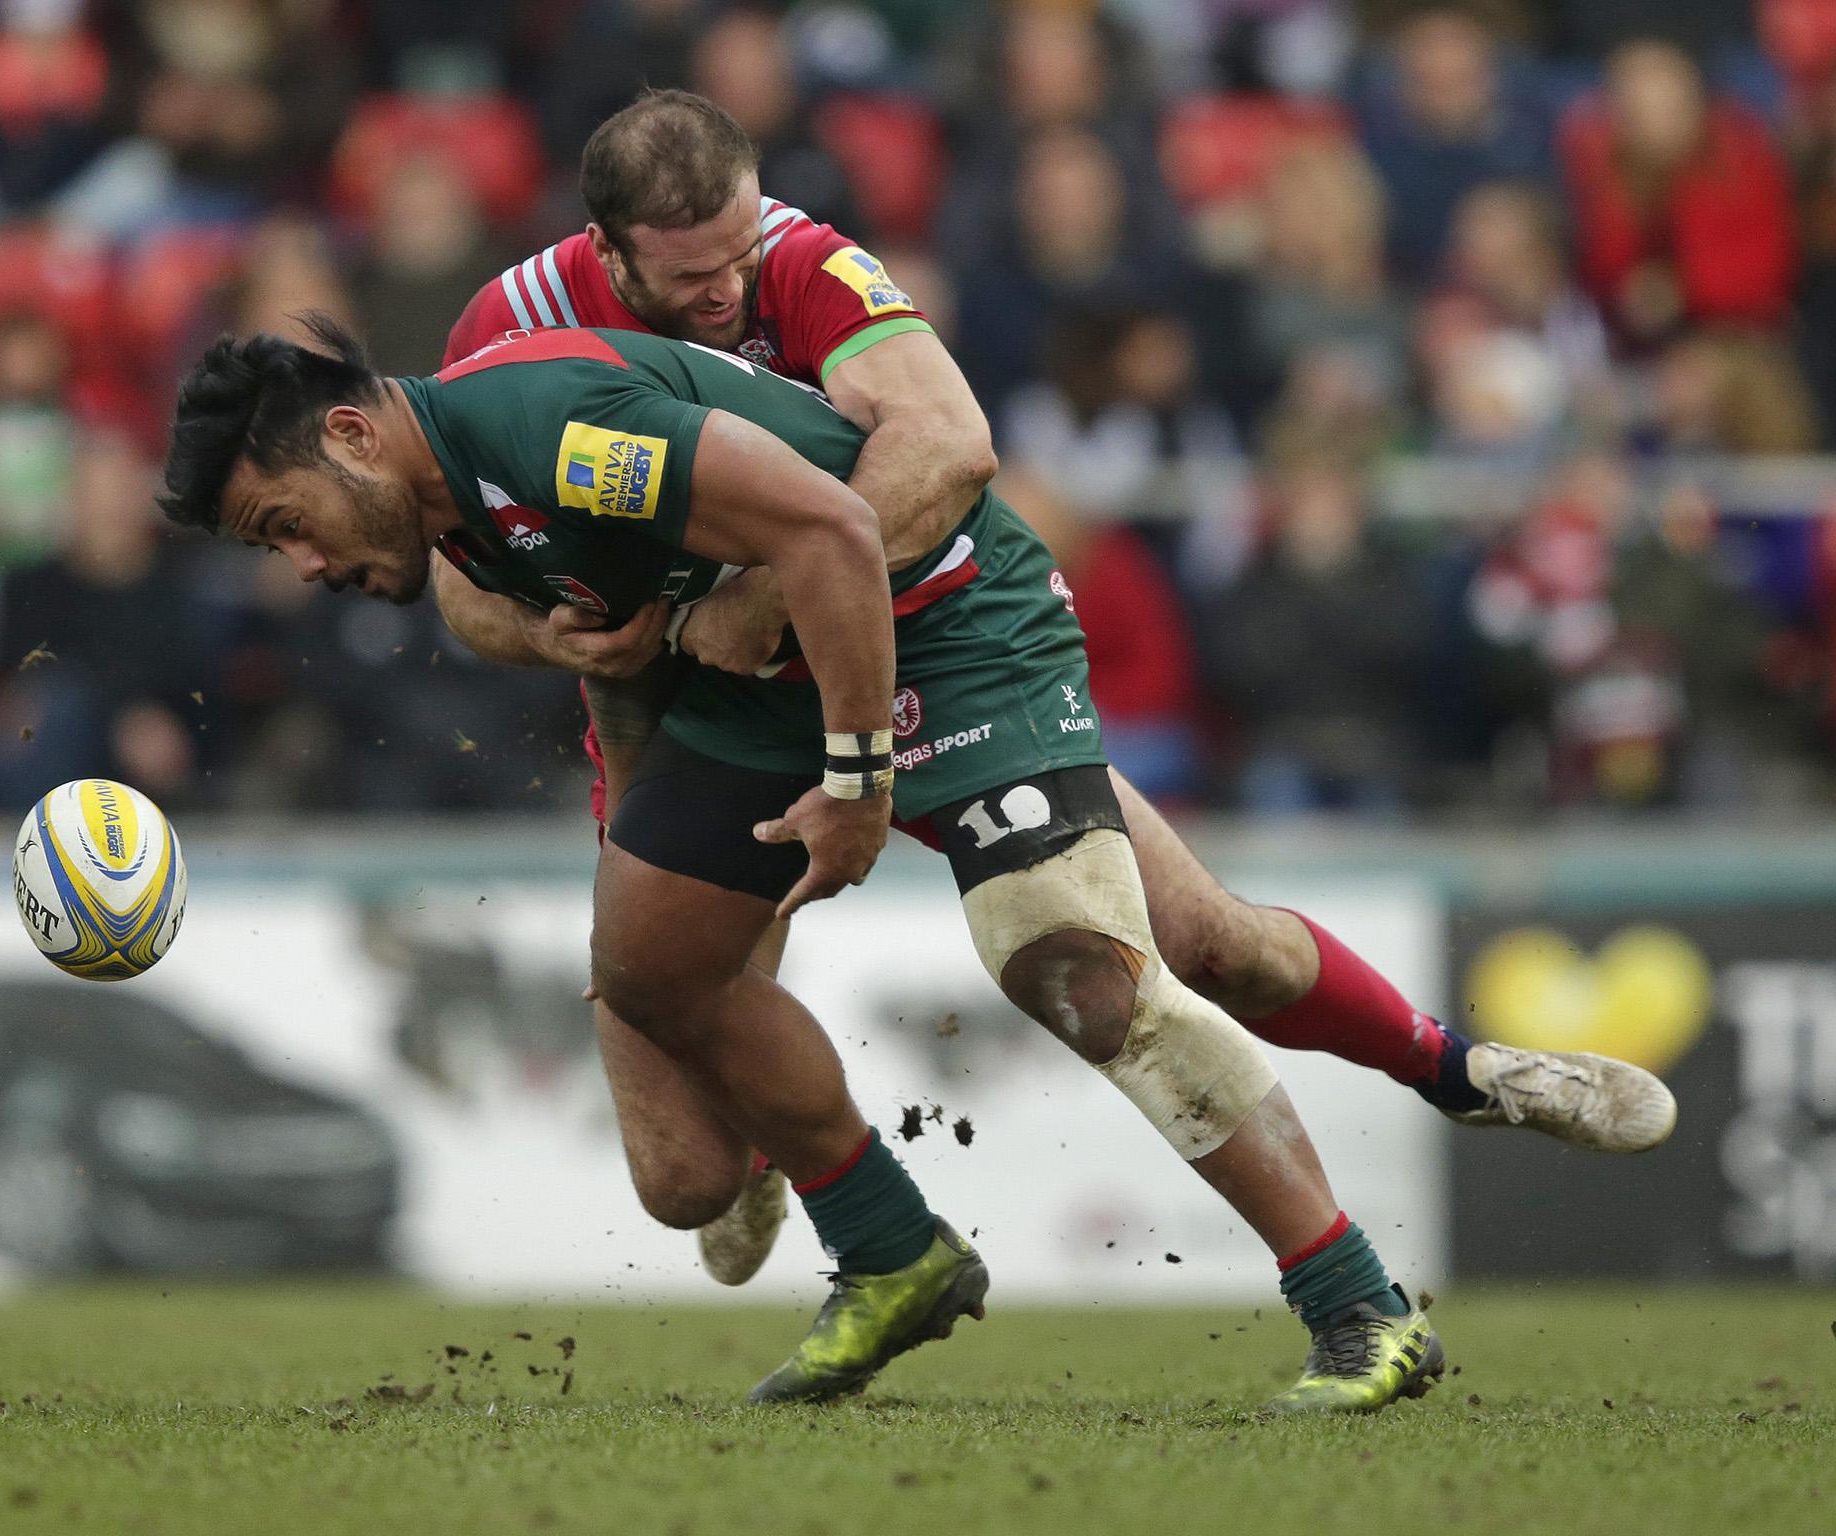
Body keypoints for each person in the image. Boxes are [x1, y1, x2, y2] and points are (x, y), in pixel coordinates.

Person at [433, 88, 1677, 1280]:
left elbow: (949, 442)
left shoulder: (804, 264)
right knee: (682, 1180)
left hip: (916, 662)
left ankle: (1462, 1074)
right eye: (688, 276)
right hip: (694, 712)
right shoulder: (508, 328)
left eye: (735, 256)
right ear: (605, 248)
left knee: (1206, 944)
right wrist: (554, 641)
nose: (723, 294)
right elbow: (459, 583)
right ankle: (776, 1143)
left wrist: (775, 590)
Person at [160, 313, 1446, 1414]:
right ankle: (893, 1253)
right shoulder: (453, 503)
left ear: (349, 439)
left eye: (285, 526)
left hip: (950, 631)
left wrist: (856, 782)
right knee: (650, 970)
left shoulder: (546, 430)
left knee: (1081, 978)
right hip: (770, 667)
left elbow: (832, 529)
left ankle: (1360, 1306)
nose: (305, 565)